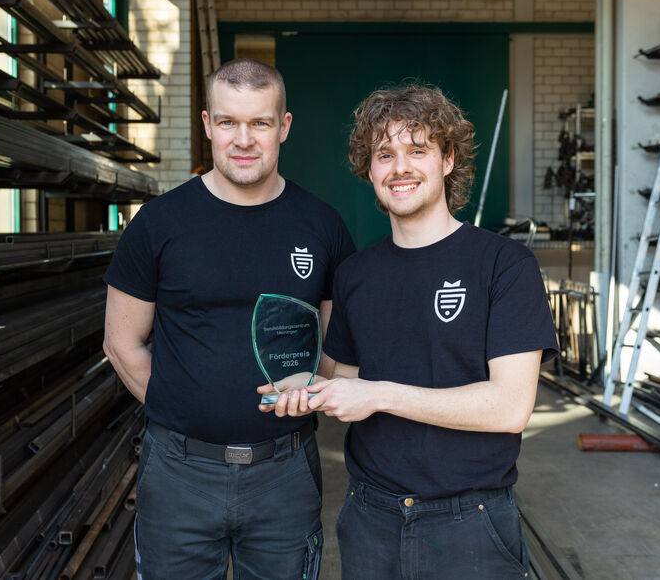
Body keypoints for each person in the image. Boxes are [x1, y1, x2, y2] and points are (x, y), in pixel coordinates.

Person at [263, 84, 559, 579]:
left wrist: (379, 394)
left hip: (471, 523)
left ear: (447, 161)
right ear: (370, 169)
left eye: (418, 150)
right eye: (384, 153)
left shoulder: (504, 265)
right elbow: (348, 381)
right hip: (370, 519)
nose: (400, 167)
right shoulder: (355, 274)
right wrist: (307, 389)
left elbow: (510, 408)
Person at [103, 58, 355, 580]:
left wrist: (314, 388)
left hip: (285, 470)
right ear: (206, 125)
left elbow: (339, 345)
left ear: (283, 127)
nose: (243, 139)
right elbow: (121, 344)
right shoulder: (158, 224)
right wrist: (187, 411)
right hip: (178, 473)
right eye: (227, 122)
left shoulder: (323, 226)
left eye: (259, 123)